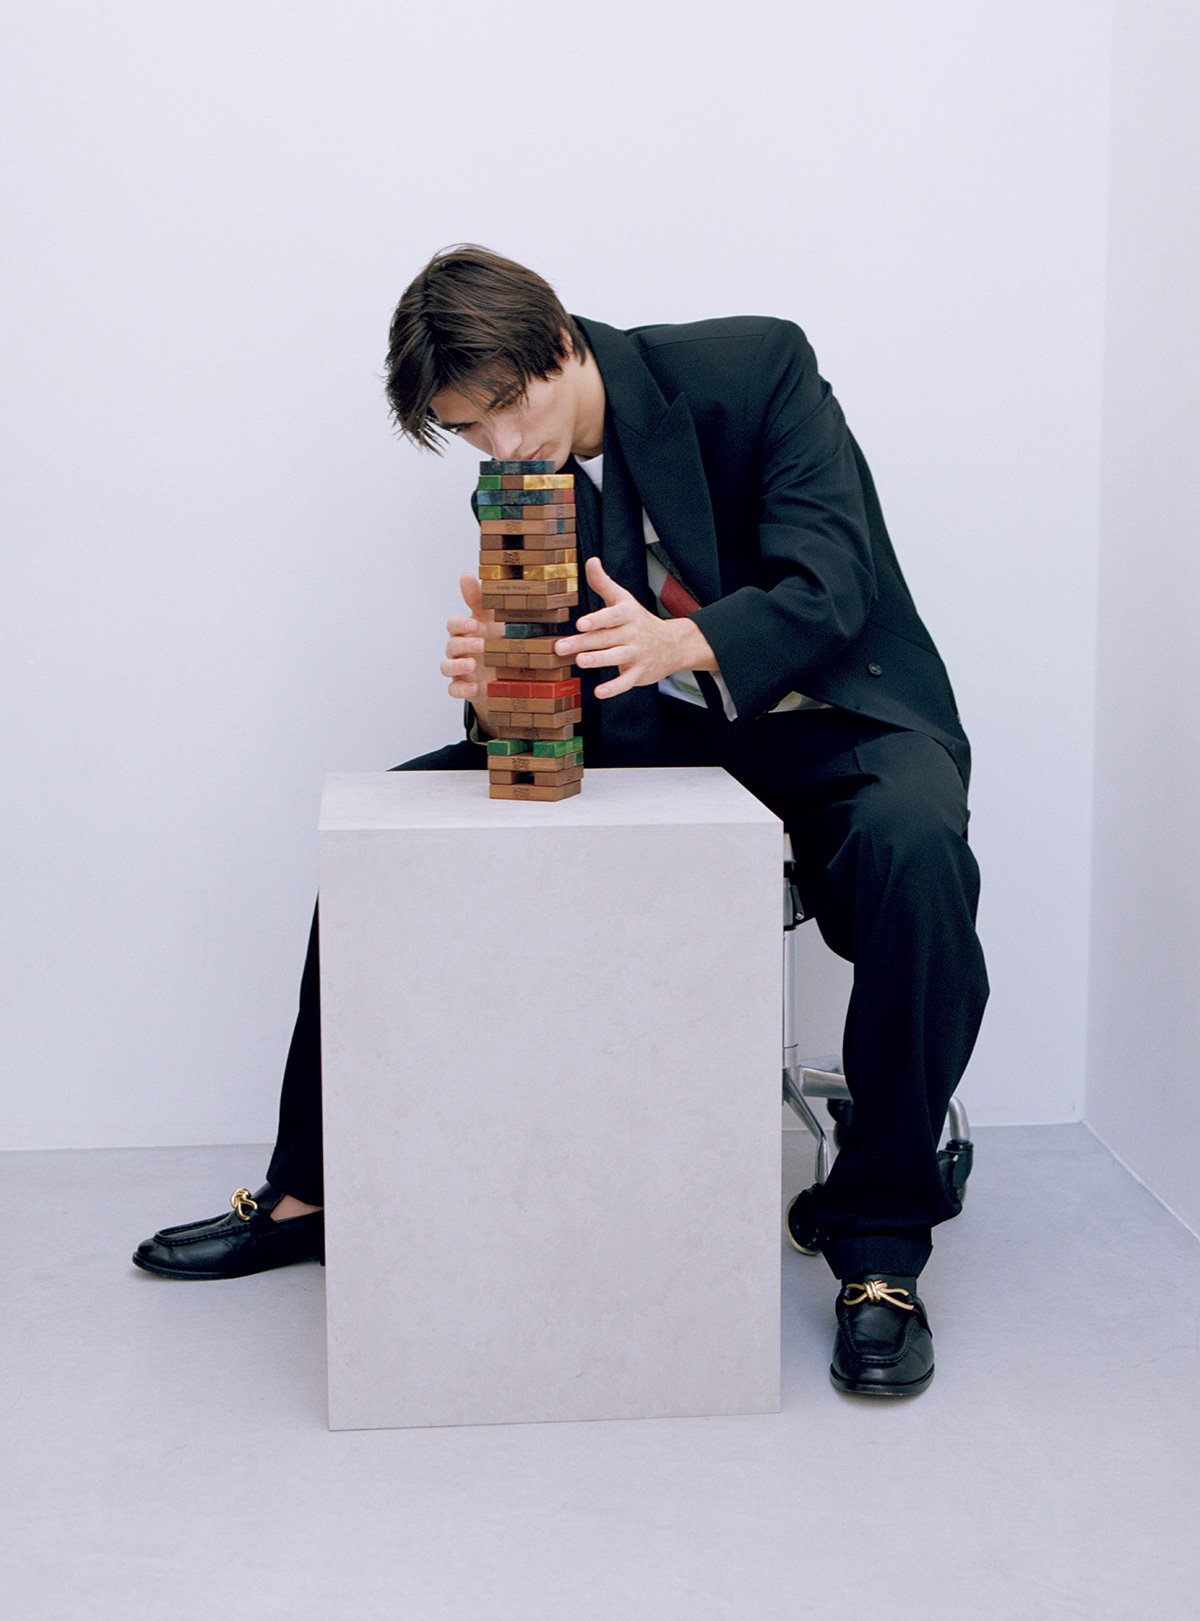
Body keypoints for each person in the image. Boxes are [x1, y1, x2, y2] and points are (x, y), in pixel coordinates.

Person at [134, 245, 988, 1398]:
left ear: (562, 345)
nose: (501, 445)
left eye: (507, 406)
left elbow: (833, 580)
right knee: (388, 828)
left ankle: (880, 1243)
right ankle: (307, 1195)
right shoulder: (523, 487)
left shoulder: (755, 369)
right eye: (467, 431)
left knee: (917, 844)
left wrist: (687, 640)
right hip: (662, 735)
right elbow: (554, 712)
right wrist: (500, 693)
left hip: (835, 717)